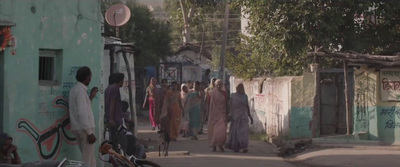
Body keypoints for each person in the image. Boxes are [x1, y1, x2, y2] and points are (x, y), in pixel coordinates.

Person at [69, 66, 98, 167]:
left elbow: (82, 108)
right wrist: (89, 133)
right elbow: (82, 113)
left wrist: (90, 97)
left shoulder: (75, 90)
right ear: (87, 77)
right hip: (85, 129)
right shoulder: (80, 91)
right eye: (90, 76)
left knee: (91, 159)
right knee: (87, 161)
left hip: (79, 128)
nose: (90, 78)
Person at [225, 83, 253, 153]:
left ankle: (244, 146)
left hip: (243, 116)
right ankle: (236, 146)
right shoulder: (233, 96)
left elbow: (247, 106)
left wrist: (250, 116)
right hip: (235, 116)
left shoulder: (245, 96)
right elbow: (229, 105)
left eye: (241, 87)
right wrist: (229, 114)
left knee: (243, 131)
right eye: (239, 87)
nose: (240, 89)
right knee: (235, 132)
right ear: (236, 88)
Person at [207, 79, 228, 152]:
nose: (219, 86)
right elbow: (208, 104)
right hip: (213, 114)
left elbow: (227, 103)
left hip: (222, 114)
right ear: (215, 85)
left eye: (220, 84)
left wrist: (228, 113)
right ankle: (214, 145)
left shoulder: (224, 93)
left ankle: (221, 145)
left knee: (221, 130)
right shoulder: (211, 93)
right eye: (217, 85)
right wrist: (206, 113)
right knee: (214, 130)